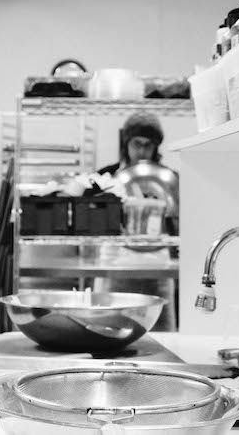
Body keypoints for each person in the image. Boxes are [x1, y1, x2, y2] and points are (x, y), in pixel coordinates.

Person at [95, 112, 178, 331]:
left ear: (156, 147)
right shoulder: (105, 178)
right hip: (116, 267)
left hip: (157, 269)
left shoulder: (168, 180)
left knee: (161, 337)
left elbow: (177, 223)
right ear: (126, 144)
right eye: (136, 144)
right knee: (110, 331)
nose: (141, 151)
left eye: (148, 145)